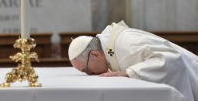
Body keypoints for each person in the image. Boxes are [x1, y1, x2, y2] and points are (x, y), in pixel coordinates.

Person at [68, 21, 198, 101]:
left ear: (96, 55)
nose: (89, 74)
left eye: (86, 70)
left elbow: (172, 59)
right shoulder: (112, 49)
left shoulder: (126, 44)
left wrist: (129, 72)